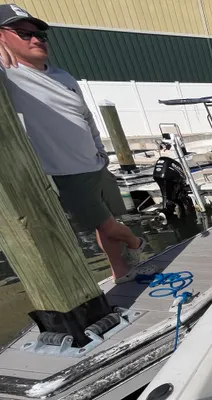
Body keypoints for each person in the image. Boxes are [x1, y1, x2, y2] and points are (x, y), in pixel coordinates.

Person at [0, 4, 155, 284]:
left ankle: (120, 272)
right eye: (24, 33)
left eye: (40, 35)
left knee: (105, 224)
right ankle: (135, 243)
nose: (36, 39)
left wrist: (101, 151)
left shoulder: (63, 76)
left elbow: (86, 116)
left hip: (95, 163)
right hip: (66, 171)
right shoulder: (7, 74)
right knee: (105, 223)